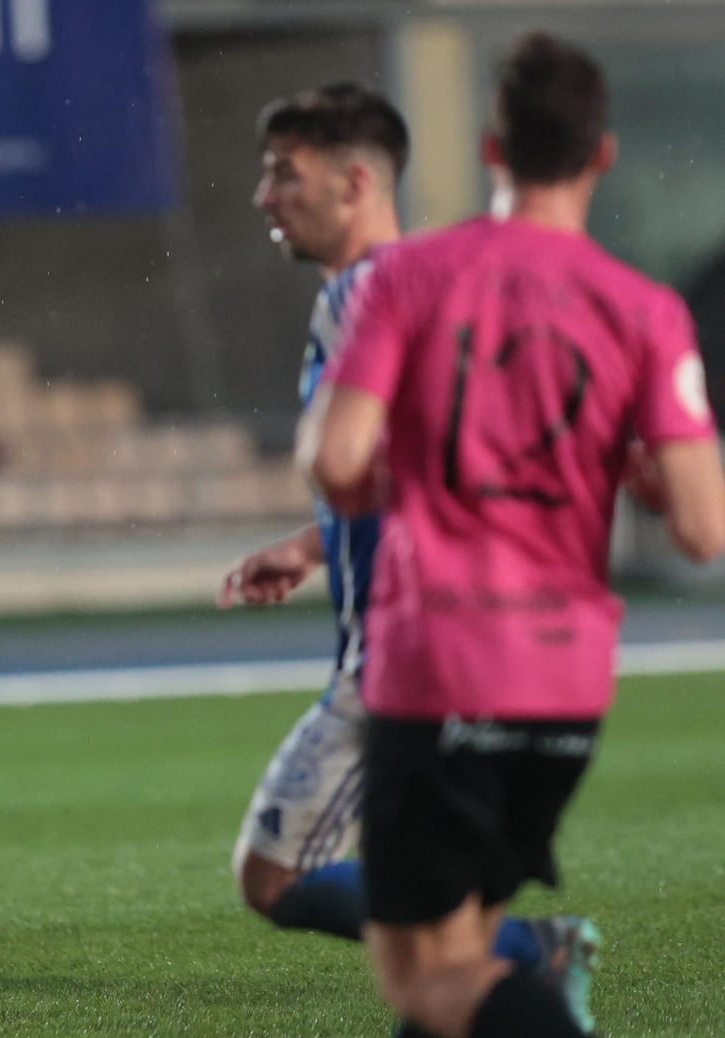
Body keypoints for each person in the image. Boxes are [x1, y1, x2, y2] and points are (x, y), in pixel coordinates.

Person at [302, 35, 725, 1038]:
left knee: (421, 978)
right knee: (460, 963)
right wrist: (635, 481)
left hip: (439, 665)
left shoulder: (408, 279)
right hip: (565, 681)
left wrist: (394, 477)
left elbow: (337, 458)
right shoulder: (646, 311)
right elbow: (704, 528)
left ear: (491, 147)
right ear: (601, 154)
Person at [226, 80, 577, 992]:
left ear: (352, 183)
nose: (265, 197)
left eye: (283, 176)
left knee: (285, 878)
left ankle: (532, 962)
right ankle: (528, 960)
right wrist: (311, 545)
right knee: (323, 883)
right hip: (422, 648)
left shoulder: (376, 295)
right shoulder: (386, 291)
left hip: (409, 657)